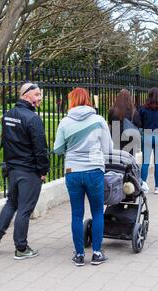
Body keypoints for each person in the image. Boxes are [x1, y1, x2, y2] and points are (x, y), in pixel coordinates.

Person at [0, 83, 49, 260]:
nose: (39, 98)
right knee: (24, 209)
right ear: (26, 95)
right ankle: (21, 248)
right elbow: (40, 149)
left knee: (12, 203)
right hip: (29, 171)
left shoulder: (7, 116)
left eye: (40, 95)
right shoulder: (32, 118)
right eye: (37, 95)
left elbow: (5, 143)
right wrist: (43, 170)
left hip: (12, 169)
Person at [53, 88, 113, 266]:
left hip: (73, 171)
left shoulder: (65, 122)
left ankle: (79, 255)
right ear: (88, 99)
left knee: (76, 214)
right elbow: (108, 149)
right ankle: (96, 253)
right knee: (97, 212)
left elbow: (57, 149)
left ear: (71, 100)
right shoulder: (98, 120)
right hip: (94, 170)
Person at [139, 87, 158, 194]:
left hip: (147, 134)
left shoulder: (143, 108)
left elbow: (140, 123)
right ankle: (157, 187)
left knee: (145, 162)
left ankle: (143, 186)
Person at [108, 88, 141, 155]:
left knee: (116, 160)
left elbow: (110, 121)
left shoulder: (112, 111)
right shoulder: (133, 112)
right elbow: (139, 124)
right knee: (129, 160)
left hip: (115, 138)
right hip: (129, 139)